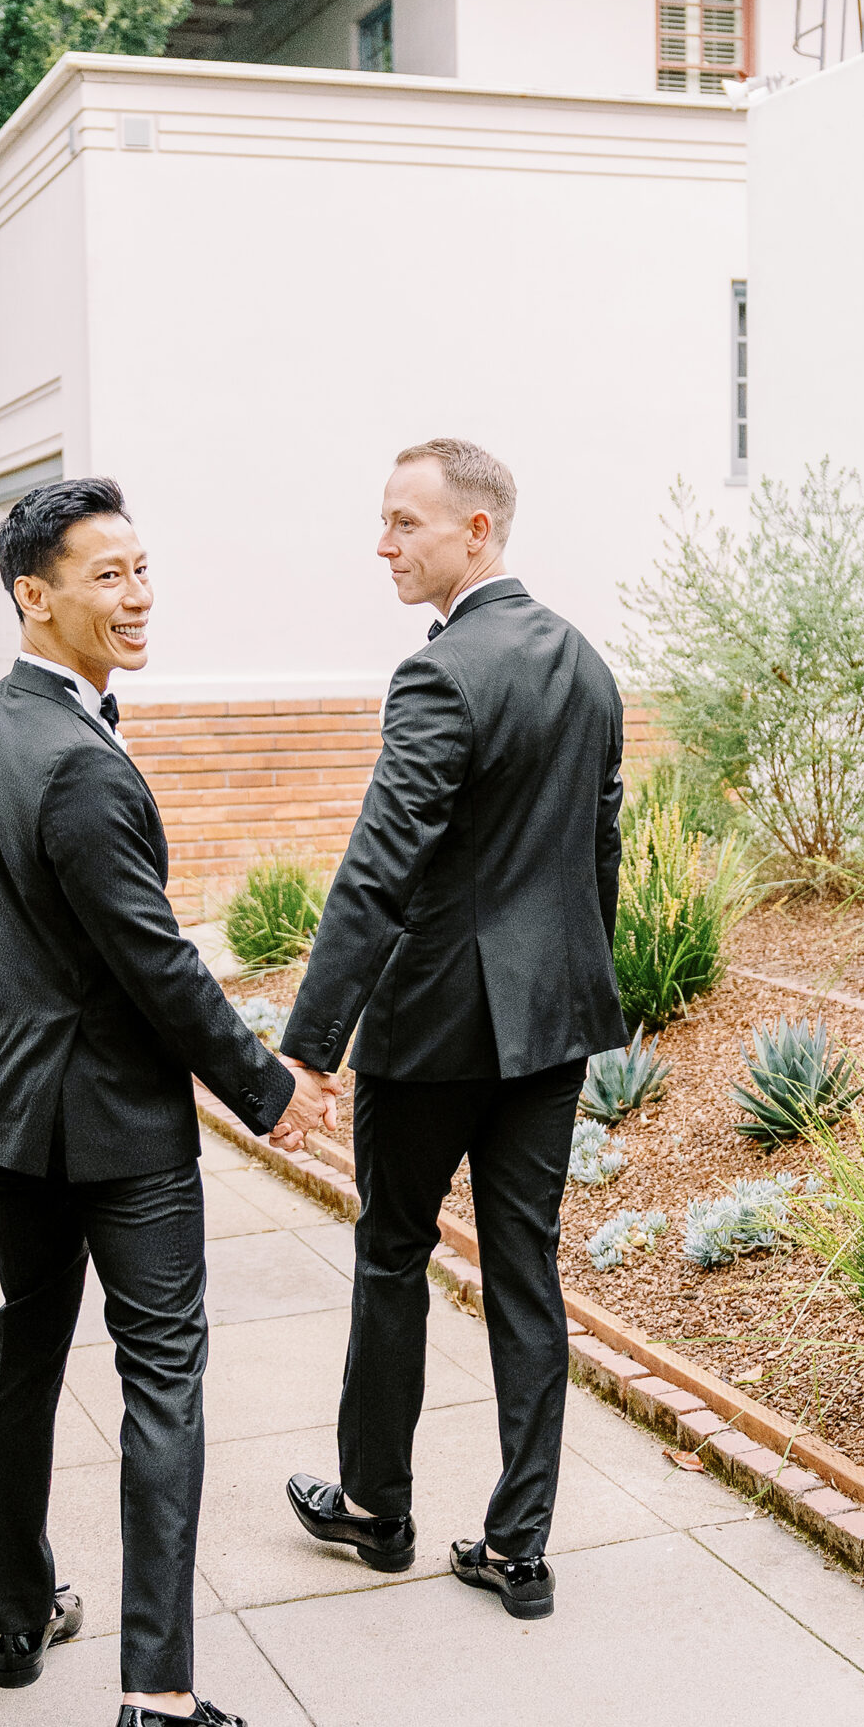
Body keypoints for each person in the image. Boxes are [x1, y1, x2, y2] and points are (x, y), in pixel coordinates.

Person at [0, 476, 331, 1727]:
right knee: (160, 1381)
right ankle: (157, 1700)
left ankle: (18, 1614)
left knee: (26, 1346)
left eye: (142, 568)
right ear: (33, 597)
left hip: (6, 1106)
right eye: (106, 575)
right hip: (112, 1128)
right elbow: (157, 966)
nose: (137, 595)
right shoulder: (77, 768)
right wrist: (268, 1090)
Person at [279, 438, 624, 1621]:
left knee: (392, 1250)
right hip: (549, 1031)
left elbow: (381, 866)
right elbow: (598, 850)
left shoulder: (439, 674)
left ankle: (377, 1509)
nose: (385, 543)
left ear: (477, 531)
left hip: (432, 1032)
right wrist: (581, 983)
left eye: (406, 522)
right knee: (525, 1268)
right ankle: (518, 1547)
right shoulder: (584, 662)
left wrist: (311, 1041)